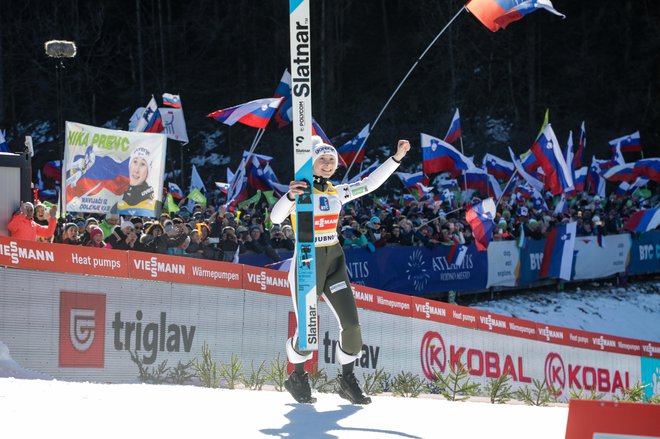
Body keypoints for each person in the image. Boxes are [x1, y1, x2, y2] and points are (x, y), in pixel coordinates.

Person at [270, 136, 410, 405]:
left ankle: (346, 381)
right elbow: (276, 218)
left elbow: (369, 184)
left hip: (334, 259)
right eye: (322, 159)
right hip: (307, 263)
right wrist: (289, 196)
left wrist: (397, 158)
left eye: (331, 160)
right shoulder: (300, 190)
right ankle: (297, 376)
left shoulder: (338, 191)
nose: (327, 164)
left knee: (352, 326)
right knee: (308, 334)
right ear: (310, 162)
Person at [117, 146, 157, 216]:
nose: (136, 170)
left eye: (142, 164)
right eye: (135, 161)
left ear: (148, 171)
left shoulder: (152, 197)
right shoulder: (117, 190)